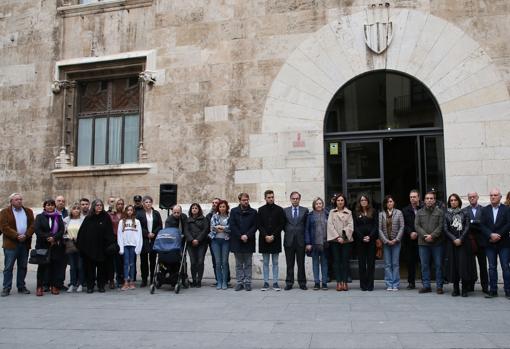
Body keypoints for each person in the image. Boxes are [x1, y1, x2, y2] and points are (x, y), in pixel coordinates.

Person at [76, 199, 116, 293]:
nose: (99, 207)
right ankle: (90, 286)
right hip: (89, 249)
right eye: (97, 205)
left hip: (102, 248)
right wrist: (82, 247)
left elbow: (109, 232)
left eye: (100, 205)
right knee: (90, 269)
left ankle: (101, 285)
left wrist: (109, 244)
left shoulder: (106, 217)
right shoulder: (88, 218)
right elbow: (82, 233)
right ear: (93, 206)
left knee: (102, 268)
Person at [0, 193, 34, 297]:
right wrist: (17, 235)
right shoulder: (5, 212)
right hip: (11, 244)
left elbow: (33, 225)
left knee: (23, 266)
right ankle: (6, 287)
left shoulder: (28, 211)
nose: (19, 201)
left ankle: (21, 286)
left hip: (24, 243)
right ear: (11, 201)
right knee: (8, 267)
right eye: (16, 200)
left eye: (20, 199)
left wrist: (26, 235)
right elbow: (4, 227)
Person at [480, 188, 510, 299]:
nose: (493, 197)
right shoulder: (485, 210)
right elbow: (481, 225)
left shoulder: (506, 209)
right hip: (490, 243)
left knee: (505, 267)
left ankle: (508, 290)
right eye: (491, 195)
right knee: (491, 267)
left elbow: (508, 224)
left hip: (504, 243)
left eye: (495, 195)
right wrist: (490, 235)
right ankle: (493, 290)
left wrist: (498, 235)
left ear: (500, 197)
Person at [444, 193, 474, 297]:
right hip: (451, 244)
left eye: (455, 200)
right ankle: (456, 288)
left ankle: (464, 289)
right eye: (451, 200)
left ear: (458, 201)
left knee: (463, 266)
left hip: (463, 243)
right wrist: (454, 239)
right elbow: (445, 229)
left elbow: (467, 227)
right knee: (454, 266)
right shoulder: (446, 214)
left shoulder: (465, 212)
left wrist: (460, 239)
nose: (453, 202)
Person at [415, 191, 445, 294]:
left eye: (431, 198)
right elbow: (417, 226)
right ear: (424, 200)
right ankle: (426, 286)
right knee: (424, 265)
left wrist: (432, 236)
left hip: (437, 243)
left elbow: (441, 226)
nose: (429, 200)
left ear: (434, 200)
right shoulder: (419, 212)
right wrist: (425, 236)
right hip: (423, 244)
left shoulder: (440, 212)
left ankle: (439, 286)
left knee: (438, 265)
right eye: (427, 198)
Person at [34, 199, 65, 296]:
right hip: (42, 245)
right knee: (42, 267)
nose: (50, 207)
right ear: (44, 206)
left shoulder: (58, 217)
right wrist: (48, 237)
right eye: (48, 205)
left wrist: (54, 238)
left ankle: (54, 286)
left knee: (54, 266)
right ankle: (40, 287)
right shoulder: (39, 217)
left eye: (52, 205)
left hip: (55, 245)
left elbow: (61, 230)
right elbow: (37, 230)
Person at [258, 190, 285, 291]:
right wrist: (266, 235)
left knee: (275, 262)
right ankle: (265, 282)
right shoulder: (260, 210)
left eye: (272, 197)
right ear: (265, 198)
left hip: (275, 239)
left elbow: (281, 224)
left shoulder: (279, 210)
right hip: (264, 239)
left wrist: (273, 235)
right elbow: (259, 224)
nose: (271, 199)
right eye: (269, 197)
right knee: (265, 262)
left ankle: (275, 282)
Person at [229, 193, 257, 291]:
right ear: (240, 200)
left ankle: (248, 282)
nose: (246, 201)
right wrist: (240, 236)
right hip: (237, 240)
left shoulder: (253, 212)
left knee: (248, 263)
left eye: (247, 200)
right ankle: (240, 282)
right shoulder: (234, 211)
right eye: (244, 200)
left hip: (249, 240)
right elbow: (232, 225)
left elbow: (255, 226)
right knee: (239, 264)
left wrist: (247, 235)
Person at [327, 193, 354, 291]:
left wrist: (343, 237)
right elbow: (330, 225)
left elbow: (350, 226)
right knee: (336, 262)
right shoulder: (331, 212)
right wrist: (337, 237)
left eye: (342, 200)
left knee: (345, 262)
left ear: (344, 201)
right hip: (335, 241)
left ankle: (345, 282)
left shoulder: (349, 212)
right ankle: (338, 282)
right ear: (335, 201)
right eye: (338, 200)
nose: (340, 202)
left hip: (346, 241)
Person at [463, 192, 488, 294]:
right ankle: (470, 286)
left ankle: (485, 287)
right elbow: (466, 225)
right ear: (468, 199)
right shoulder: (464, 211)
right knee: (470, 265)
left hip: (481, 242)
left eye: (474, 197)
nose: (472, 198)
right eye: (470, 197)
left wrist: (473, 223)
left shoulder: (484, 210)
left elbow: (484, 224)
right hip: (469, 241)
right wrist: (476, 222)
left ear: (477, 197)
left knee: (483, 266)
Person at [283, 191, 309, 290]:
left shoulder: (305, 210)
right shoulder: (285, 211)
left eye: (297, 198)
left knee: (301, 263)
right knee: (289, 263)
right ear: (290, 199)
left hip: (301, 241)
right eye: (293, 198)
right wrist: (290, 231)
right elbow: (283, 225)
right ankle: (289, 282)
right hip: (289, 240)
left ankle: (302, 283)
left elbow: (306, 226)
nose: (295, 200)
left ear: (299, 199)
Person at [378, 195, 404, 291]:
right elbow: (379, 229)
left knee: (395, 263)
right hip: (386, 243)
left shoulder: (399, 213)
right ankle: (389, 283)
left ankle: (396, 284)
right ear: (385, 204)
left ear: (394, 203)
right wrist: (385, 240)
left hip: (396, 242)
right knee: (388, 264)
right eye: (388, 202)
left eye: (391, 201)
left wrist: (396, 239)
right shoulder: (381, 214)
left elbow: (402, 227)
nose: (389, 203)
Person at [354, 194, 378, 291]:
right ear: (359, 202)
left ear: (368, 201)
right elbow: (355, 227)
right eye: (361, 200)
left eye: (365, 200)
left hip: (371, 241)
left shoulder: (373, 211)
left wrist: (370, 236)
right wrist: (362, 237)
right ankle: (363, 285)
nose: (363, 201)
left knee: (371, 263)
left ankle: (370, 285)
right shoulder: (355, 212)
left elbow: (376, 226)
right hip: (360, 241)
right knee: (362, 263)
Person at [137, 195, 162, 287]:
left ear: (152, 203)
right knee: (143, 260)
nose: (148, 204)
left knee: (152, 260)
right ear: (143, 203)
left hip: (154, 239)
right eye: (146, 202)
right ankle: (144, 279)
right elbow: (139, 226)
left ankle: (152, 278)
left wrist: (153, 233)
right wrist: (147, 234)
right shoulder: (139, 214)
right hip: (144, 239)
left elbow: (160, 225)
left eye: (149, 202)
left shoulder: (156, 213)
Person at [305, 197, 329, 290]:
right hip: (314, 243)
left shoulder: (327, 214)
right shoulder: (310, 215)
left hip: (325, 243)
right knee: (315, 263)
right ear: (314, 205)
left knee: (324, 263)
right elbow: (307, 230)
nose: (318, 205)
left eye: (320, 203)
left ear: (322, 204)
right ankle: (316, 283)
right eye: (317, 203)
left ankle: (324, 283)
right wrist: (308, 243)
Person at [117, 205, 143, 291]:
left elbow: (139, 235)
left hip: (133, 245)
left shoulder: (137, 222)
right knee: (125, 264)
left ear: (133, 211)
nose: (129, 212)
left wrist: (138, 247)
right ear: (125, 211)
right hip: (125, 245)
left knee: (132, 264)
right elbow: (119, 235)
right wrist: (121, 247)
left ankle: (131, 281)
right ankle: (125, 282)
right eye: (128, 210)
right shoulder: (121, 222)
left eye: (131, 210)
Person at [206, 197, 230, 286]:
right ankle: (219, 282)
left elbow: (230, 228)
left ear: (226, 207)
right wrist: (222, 228)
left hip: (226, 241)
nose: (222, 208)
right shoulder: (214, 216)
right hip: (215, 241)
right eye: (220, 207)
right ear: (218, 208)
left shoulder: (229, 216)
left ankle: (225, 282)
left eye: (224, 206)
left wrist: (221, 228)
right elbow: (212, 227)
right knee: (217, 262)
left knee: (224, 262)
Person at [402, 189, 423, 289]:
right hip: (409, 240)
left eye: (414, 197)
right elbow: (404, 224)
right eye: (411, 197)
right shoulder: (405, 210)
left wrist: (418, 233)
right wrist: (410, 232)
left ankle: (425, 281)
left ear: (418, 197)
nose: (412, 199)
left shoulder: (423, 208)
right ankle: (411, 282)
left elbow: (426, 223)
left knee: (423, 261)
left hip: (422, 239)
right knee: (410, 262)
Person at [185, 203, 209, 288]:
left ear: (199, 210)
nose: (194, 209)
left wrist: (198, 239)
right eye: (193, 208)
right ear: (191, 210)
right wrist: (192, 240)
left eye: (196, 208)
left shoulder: (204, 219)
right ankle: (194, 280)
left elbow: (205, 230)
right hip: (191, 244)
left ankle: (199, 280)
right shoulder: (188, 220)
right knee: (193, 262)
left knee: (200, 261)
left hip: (201, 243)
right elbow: (186, 231)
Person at [63, 203, 85, 293]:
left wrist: (79, 238)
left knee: (80, 266)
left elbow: (86, 232)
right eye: (74, 208)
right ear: (71, 210)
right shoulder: (66, 220)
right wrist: (68, 238)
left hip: (80, 245)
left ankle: (80, 284)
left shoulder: (83, 220)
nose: (76, 210)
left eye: (78, 209)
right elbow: (63, 233)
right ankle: (72, 284)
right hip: (71, 245)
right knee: (72, 266)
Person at [165, 204, 189, 284]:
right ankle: (173, 276)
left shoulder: (184, 217)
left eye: (178, 213)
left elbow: (186, 228)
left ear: (181, 212)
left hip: (182, 242)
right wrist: (178, 236)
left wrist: (185, 235)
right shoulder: (169, 220)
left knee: (183, 259)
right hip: (173, 243)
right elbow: (168, 232)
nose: (176, 214)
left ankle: (183, 276)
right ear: (172, 212)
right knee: (174, 259)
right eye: (174, 212)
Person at [108, 198, 125, 288]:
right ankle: (111, 280)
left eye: (122, 204)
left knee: (121, 261)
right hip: (113, 239)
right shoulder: (110, 215)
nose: (120, 205)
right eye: (118, 204)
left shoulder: (125, 215)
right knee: (112, 261)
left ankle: (120, 278)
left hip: (123, 239)